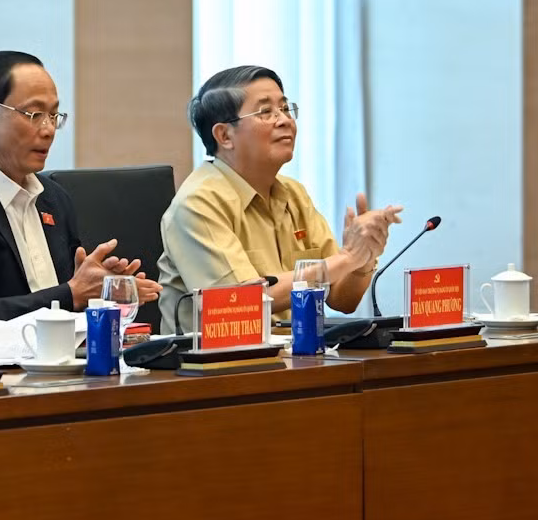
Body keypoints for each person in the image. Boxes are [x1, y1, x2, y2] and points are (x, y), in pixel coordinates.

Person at [0, 51, 158, 322]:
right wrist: (71, 294)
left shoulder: (54, 198)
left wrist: (99, 290)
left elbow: (72, 297)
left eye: (53, 115)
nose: (49, 129)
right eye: (35, 114)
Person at [156, 65, 404, 334]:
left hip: (291, 359)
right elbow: (241, 302)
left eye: (285, 109)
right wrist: (346, 258)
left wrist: (364, 257)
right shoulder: (198, 203)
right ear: (225, 135)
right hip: (213, 368)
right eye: (265, 112)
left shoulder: (293, 194)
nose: (284, 120)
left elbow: (342, 300)